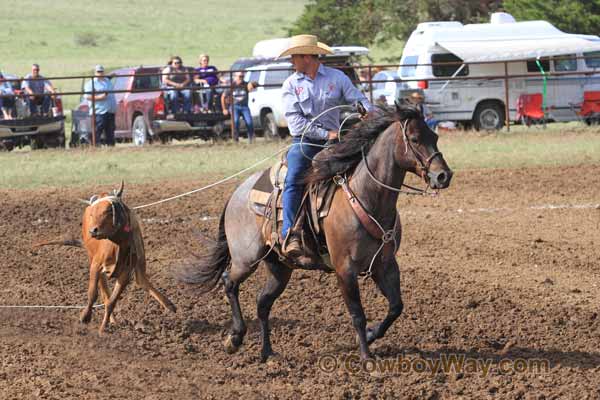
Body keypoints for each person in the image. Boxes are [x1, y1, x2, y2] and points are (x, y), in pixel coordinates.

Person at [279, 34, 373, 262]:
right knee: (293, 178)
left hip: (336, 141)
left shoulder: (337, 77)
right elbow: (295, 122)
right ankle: (290, 233)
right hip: (306, 142)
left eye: (294, 57)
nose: (292, 62)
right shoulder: (291, 84)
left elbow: (358, 99)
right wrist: (326, 134)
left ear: (307, 56)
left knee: (369, 168)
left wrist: (368, 110)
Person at [84, 65, 117, 146]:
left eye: (101, 71)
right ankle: (94, 146)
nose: (100, 73)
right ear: (95, 72)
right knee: (97, 130)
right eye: (98, 71)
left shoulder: (107, 81)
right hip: (99, 111)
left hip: (110, 110)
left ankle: (111, 147)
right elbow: (87, 96)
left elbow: (109, 78)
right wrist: (99, 97)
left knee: (110, 130)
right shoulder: (91, 83)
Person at [221, 71, 256, 143]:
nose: (241, 78)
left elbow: (253, 86)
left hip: (244, 107)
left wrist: (254, 85)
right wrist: (224, 109)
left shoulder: (246, 84)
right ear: (235, 77)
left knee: (249, 122)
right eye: (239, 76)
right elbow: (223, 97)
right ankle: (235, 139)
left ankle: (251, 139)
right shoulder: (231, 85)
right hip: (234, 107)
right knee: (235, 121)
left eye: (242, 76)